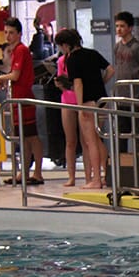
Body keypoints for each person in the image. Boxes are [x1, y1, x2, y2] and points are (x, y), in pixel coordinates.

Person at [55, 28, 113, 189]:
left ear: (66, 45)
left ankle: (96, 179)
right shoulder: (92, 53)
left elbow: (78, 84)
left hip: (88, 101)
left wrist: (80, 107)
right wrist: (101, 82)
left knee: (90, 141)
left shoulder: (72, 59)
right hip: (102, 99)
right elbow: (111, 70)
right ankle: (105, 175)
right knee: (98, 140)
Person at [0, 17, 44, 186]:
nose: (8, 36)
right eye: (6, 32)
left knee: (31, 137)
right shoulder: (15, 51)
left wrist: (2, 77)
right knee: (23, 138)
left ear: (19, 34)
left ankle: (37, 173)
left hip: (24, 98)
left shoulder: (21, 50)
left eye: (11, 33)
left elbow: (16, 75)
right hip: (17, 98)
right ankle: (24, 173)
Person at [113, 11, 139, 152]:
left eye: (122, 26)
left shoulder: (137, 47)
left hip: (135, 97)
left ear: (130, 28)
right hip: (121, 97)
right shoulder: (117, 47)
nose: (119, 29)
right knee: (121, 134)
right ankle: (122, 162)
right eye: (117, 26)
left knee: (138, 134)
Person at [54, 44, 84, 186]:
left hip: (81, 99)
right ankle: (71, 176)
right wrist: (61, 83)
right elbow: (61, 81)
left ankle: (92, 174)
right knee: (70, 141)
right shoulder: (61, 61)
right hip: (67, 99)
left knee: (87, 140)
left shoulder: (80, 58)